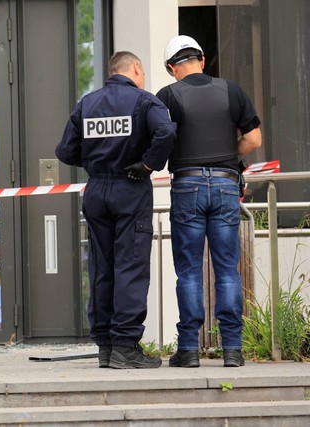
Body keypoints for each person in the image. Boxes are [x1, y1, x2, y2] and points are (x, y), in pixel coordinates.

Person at [55, 52, 176, 369]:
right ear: (136, 69)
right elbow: (167, 132)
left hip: (96, 190)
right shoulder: (145, 102)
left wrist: (97, 162)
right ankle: (125, 345)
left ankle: (106, 346)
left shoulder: (87, 103)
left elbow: (65, 151)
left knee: (101, 266)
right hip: (130, 187)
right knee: (131, 265)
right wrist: (147, 163)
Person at [157, 35, 262, 368]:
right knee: (227, 269)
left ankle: (188, 349)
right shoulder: (231, 90)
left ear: (172, 68)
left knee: (188, 271)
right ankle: (233, 349)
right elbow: (254, 137)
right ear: (202, 60)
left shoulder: (168, 96)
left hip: (186, 186)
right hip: (226, 185)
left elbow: (159, 141)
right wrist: (231, 158)